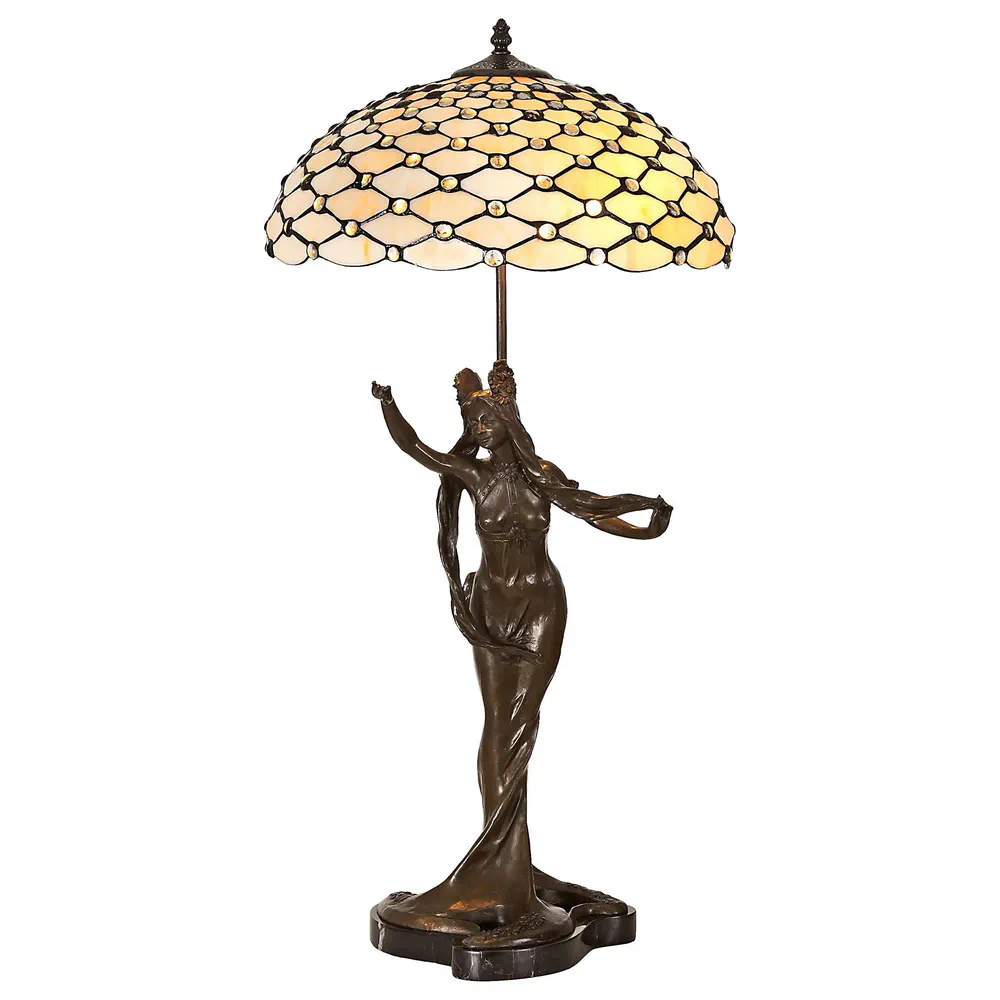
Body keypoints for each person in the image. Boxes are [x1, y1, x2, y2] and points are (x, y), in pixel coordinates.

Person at [370, 362, 671, 946]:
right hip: (491, 607)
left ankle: (506, 871)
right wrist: (388, 404)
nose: (479, 429)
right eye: (472, 421)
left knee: (521, 722)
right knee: (497, 725)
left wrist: (646, 526)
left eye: (486, 418)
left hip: (539, 606)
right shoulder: (473, 476)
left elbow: (592, 508)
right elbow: (417, 449)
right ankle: (501, 865)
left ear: (507, 418)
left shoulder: (540, 475)